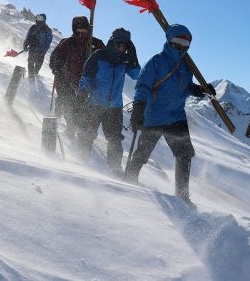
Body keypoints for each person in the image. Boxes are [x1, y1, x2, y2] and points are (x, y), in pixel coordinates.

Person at [123, 24, 215, 204]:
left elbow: (186, 86)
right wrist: (139, 108)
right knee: (143, 152)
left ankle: (182, 196)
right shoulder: (156, 62)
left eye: (185, 45)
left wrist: (199, 90)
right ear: (170, 41)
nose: (180, 48)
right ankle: (129, 179)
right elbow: (142, 86)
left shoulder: (186, 66)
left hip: (176, 117)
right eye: (178, 44)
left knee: (185, 155)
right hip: (155, 117)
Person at [76, 28, 140, 175]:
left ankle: (115, 168)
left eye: (125, 46)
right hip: (95, 103)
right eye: (119, 44)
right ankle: (81, 161)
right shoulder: (99, 55)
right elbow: (87, 76)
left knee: (115, 139)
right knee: (87, 133)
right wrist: (82, 93)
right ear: (112, 42)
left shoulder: (125, 60)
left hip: (114, 107)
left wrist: (133, 54)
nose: (121, 48)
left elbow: (136, 75)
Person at [49, 16, 105, 138]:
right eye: (78, 31)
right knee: (68, 104)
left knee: (81, 109)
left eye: (83, 31)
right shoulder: (67, 42)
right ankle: (70, 129)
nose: (81, 34)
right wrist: (56, 66)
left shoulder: (96, 44)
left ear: (88, 30)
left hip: (87, 83)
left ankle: (82, 137)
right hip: (68, 80)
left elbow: (105, 62)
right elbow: (55, 56)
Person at [23, 13, 53, 78]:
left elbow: (48, 42)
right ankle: (30, 76)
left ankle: (35, 74)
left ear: (44, 20)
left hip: (41, 50)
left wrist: (43, 51)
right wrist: (25, 45)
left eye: (41, 19)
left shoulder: (47, 30)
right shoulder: (33, 28)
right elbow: (28, 37)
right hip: (32, 48)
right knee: (30, 61)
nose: (39, 21)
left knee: (38, 63)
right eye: (37, 18)